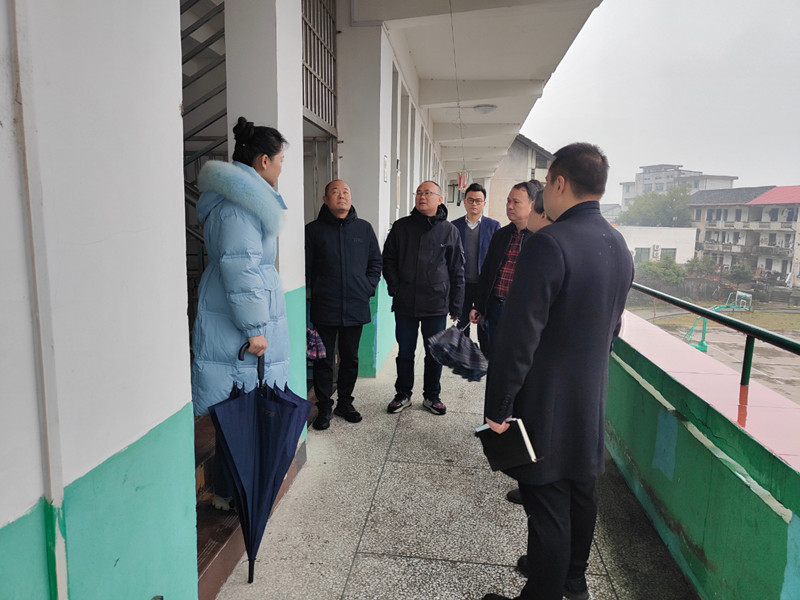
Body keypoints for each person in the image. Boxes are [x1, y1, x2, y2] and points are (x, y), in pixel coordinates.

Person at [480, 143, 634, 600]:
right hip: (590, 398)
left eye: (545, 182)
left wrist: (498, 407)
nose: (543, 191)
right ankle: (573, 581)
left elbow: (518, 337)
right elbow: (613, 328)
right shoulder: (618, 244)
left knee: (545, 503)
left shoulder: (549, 243)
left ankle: (545, 590)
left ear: (560, 183)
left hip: (544, 401)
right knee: (580, 493)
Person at [191, 116, 290, 510]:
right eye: (280, 161)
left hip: (239, 321)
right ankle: (230, 494)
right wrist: (254, 328)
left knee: (243, 412)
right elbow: (241, 269)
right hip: (239, 328)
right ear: (263, 161)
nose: (281, 169)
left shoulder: (242, 204)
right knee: (239, 411)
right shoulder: (238, 209)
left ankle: (235, 491)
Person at [382, 180, 465, 416]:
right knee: (405, 352)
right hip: (405, 303)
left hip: (436, 304)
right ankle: (403, 394)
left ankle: (432, 396)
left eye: (428, 193)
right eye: (419, 192)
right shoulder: (401, 227)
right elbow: (388, 260)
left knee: (434, 353)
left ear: (440, 199)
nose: (422, 197)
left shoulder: (449, 230)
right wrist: (396, 288)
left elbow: (457, 269)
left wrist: (456, 305)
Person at [305, 179, 382, 430]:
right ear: (325, 199)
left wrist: (367, 288)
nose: (342, 195)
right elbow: (305, 267)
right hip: (325, 308)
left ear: (351, 198)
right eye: (335, 192)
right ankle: (324, 407)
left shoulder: (364, 229)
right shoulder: (313, 231)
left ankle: (345, 403)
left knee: (350, 359)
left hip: (355, 306)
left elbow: (375, 263)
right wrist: (316, 290)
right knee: (323, 360)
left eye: (346, 191)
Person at [469, 180, 543, 357]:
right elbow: (487, 272)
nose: (510, 206)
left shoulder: (540, 239)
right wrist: (478, 305)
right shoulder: (501, 235)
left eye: (516, 202)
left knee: (514, 359)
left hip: (520, 314)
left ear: (532, 205)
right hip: (495, 308)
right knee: (492, 356)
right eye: (508, 201)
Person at [451, 183, 500, 351]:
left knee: (483, 324)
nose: (474, 204)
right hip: (462, 284)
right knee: (462, 323)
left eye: (478, 201)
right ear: (464, 202)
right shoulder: (454, 226)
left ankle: (484, 356)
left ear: (484, 203)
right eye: (470, 200)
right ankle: (463, 355)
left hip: (483, 285)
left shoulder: (493, 226)